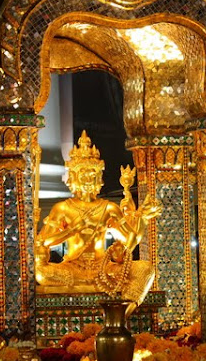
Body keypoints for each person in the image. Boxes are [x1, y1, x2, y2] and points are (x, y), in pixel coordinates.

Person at [35, 131, 161, 313]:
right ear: (73, 176)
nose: (88, 179)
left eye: (92, 174)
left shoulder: (109, 208)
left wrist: (141, 218)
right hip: (72, 268)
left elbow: (129, 243)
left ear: (99, 176)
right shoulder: (62, 208)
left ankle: (124, 312)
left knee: (145, 268)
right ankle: (114, 311)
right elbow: (43, 241)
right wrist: (71, 231)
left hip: (104, 269)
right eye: (83, 174)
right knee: (40, 273)